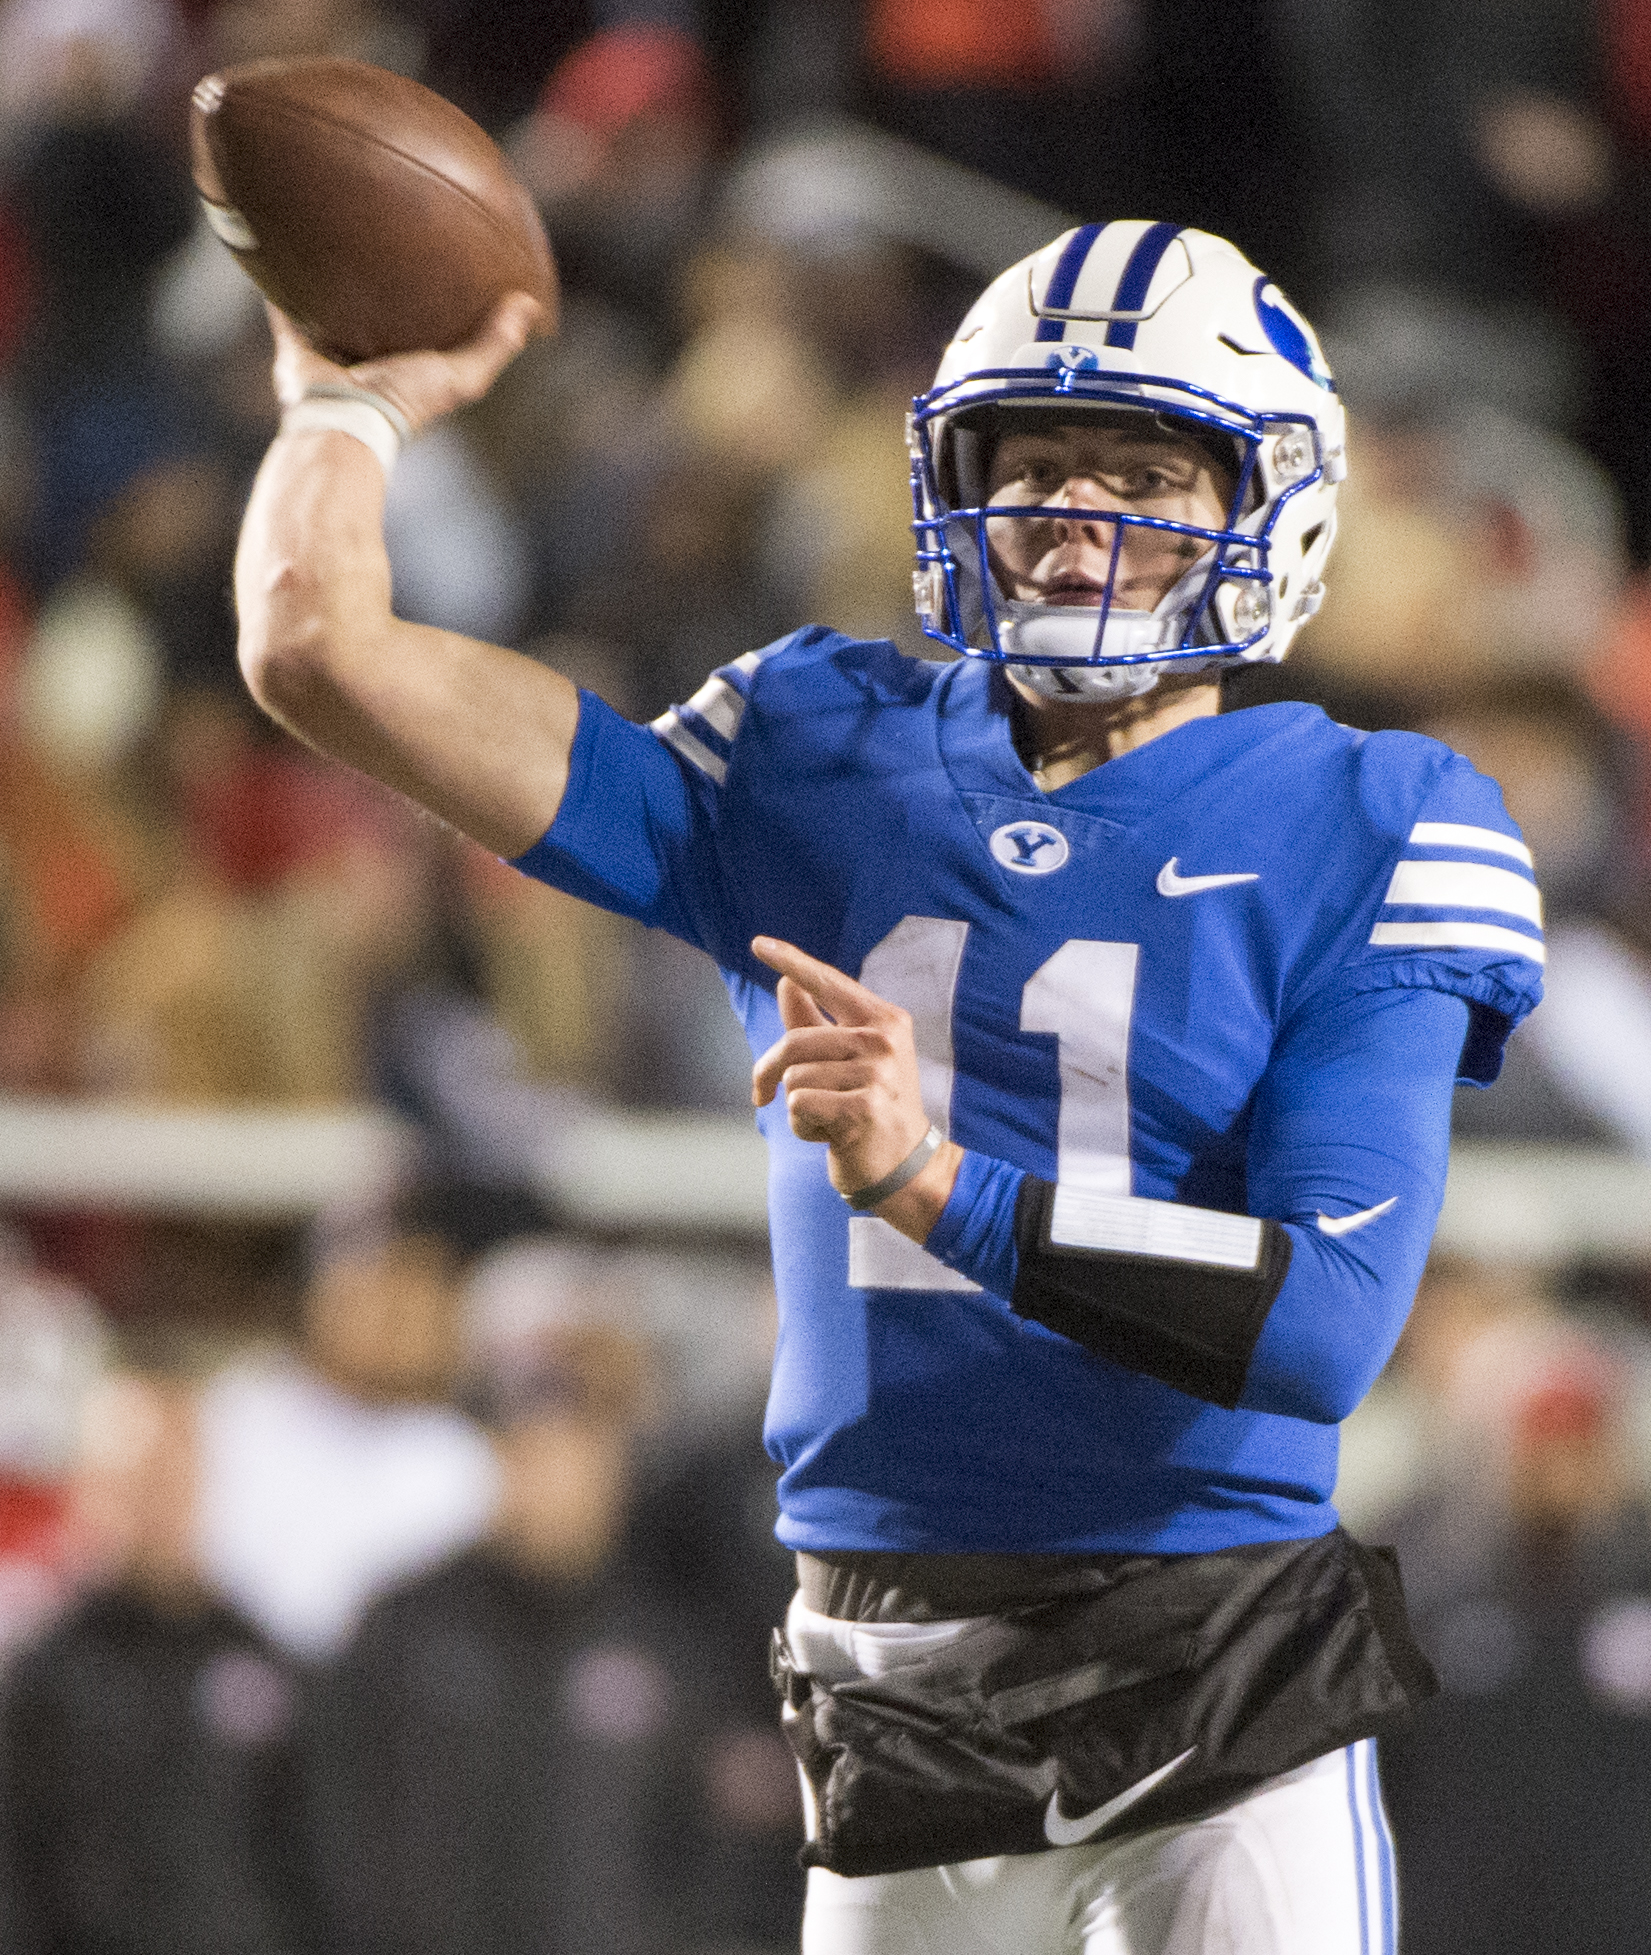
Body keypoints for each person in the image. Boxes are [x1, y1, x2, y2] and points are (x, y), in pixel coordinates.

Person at [233, 220, 1547, 1953]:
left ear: (1268, 506)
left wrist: (941, 1189)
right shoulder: (816, 743)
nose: (1081, 510)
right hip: (887, 1697)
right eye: (1040, 461)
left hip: (1217, 1691)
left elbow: (1322, 1333)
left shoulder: (1372, 815)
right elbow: (316, 643)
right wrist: (344, 411)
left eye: (1144, 465)